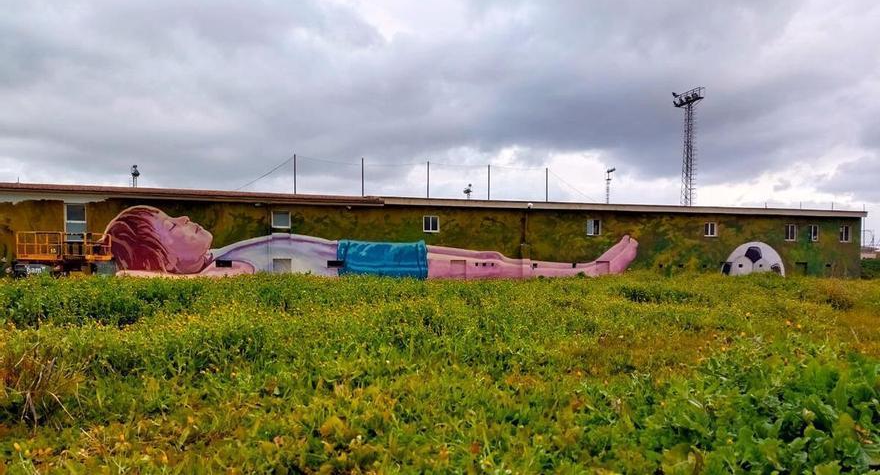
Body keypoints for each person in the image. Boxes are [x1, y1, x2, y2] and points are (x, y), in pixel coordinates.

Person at [105, 205, 638, 278]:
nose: (187, 221)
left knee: (484, 257)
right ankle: (588, 271)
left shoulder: (222, 256)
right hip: (357, 267)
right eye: (174, 228)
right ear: (160, 260)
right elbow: (136, 282)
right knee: (481, 267)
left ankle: (582, 266)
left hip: (353, 252)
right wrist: (127, 271)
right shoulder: (224, 274)